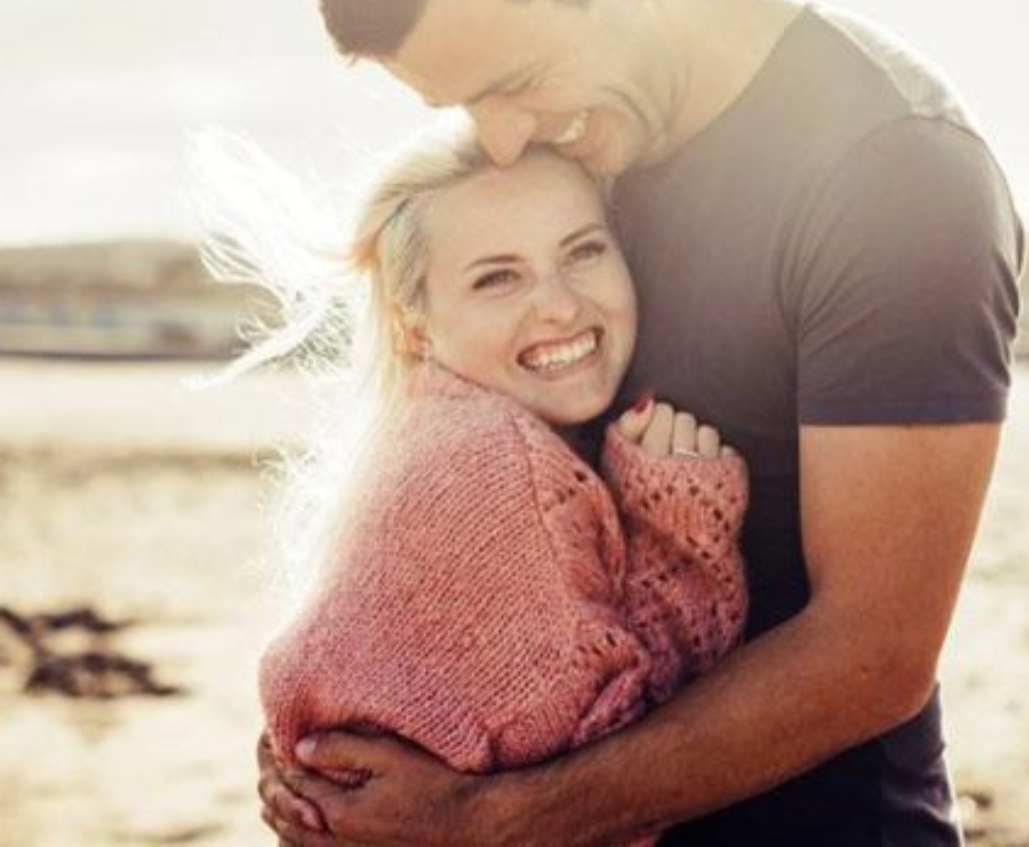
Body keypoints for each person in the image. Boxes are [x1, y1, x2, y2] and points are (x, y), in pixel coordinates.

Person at [258, 0, 1025, 844]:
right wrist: (327, 728)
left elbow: (873, 656)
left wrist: (492, 821)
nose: (498, 142)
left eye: (515, 82)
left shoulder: (892, 176)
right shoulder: (569, 139)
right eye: (461, 109)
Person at [230, 125, 752, 846]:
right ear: (414, 326)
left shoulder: (422, 433)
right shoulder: (501, 465)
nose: (561, 306)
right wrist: (677, 532)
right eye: (497, 277)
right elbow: (610, 781)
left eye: (584, 251)